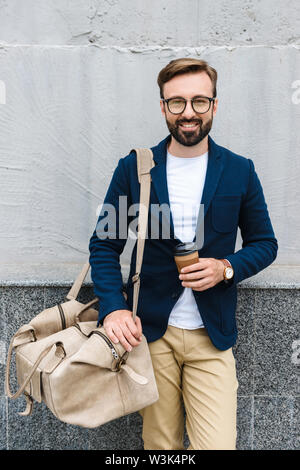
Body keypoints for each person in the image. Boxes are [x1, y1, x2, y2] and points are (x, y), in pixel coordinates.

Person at [88, 58, 278, 450]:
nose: (188, 112)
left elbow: (265, 244)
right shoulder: (135, 168)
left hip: (212, 338)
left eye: (199, 101)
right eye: (176, 102)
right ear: (162, 107)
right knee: (162, 448)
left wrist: (227, 267)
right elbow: (104, 245)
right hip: (150, 336)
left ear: (214, 105)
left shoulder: (241, 171)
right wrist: (114, 308)